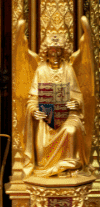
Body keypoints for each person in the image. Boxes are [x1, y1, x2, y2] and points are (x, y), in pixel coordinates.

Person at [23, 34, 87, 177]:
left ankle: (67, 167)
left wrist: (75, 103)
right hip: (47, 117)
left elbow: (77, 95)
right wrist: (34, 111)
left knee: (71, 130)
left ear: (63, 52)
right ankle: (47, 167)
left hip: (68, 115)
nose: (56, 55)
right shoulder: (41, 70)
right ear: (46, 52)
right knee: (42, 138)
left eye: (59, 50)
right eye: (52, 51)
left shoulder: (68, 69)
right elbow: (32, 99)